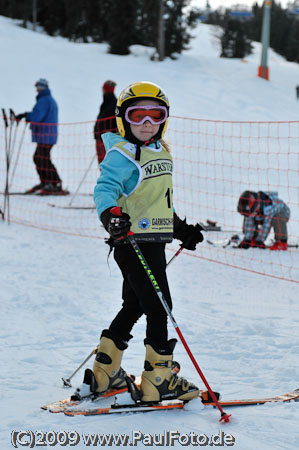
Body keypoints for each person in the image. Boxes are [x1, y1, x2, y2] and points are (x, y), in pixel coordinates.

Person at [72, 81, 204, 404]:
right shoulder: (122, 154)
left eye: (155, 115)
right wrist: (112, 217)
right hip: (132, 243)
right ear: (123, 119)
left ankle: (105, 371)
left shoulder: (161, 152)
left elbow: (157, 203)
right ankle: (158, 380)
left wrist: (182, 229)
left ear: (164, 119)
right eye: (138, 115)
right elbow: (104, 190)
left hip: (153, 242)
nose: (147, 123)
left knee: (135, 305)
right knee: (160, 306)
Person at [16, 78, 64, 195]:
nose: (36, 89)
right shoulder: (48, 99)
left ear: (41, 87)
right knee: (41, 158)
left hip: (45, 135)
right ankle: (48, 182)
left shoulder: (44, 100)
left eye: (37, 86)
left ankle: (53, 182)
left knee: (41, 158)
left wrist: (26, 115)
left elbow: (38, 116)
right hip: (47, 135)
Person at [93, 80, 118, 165]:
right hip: (101, 139)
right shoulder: (106, 103)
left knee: (106, 165)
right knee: (104, 164)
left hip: (107, 140)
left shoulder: (113, 104)